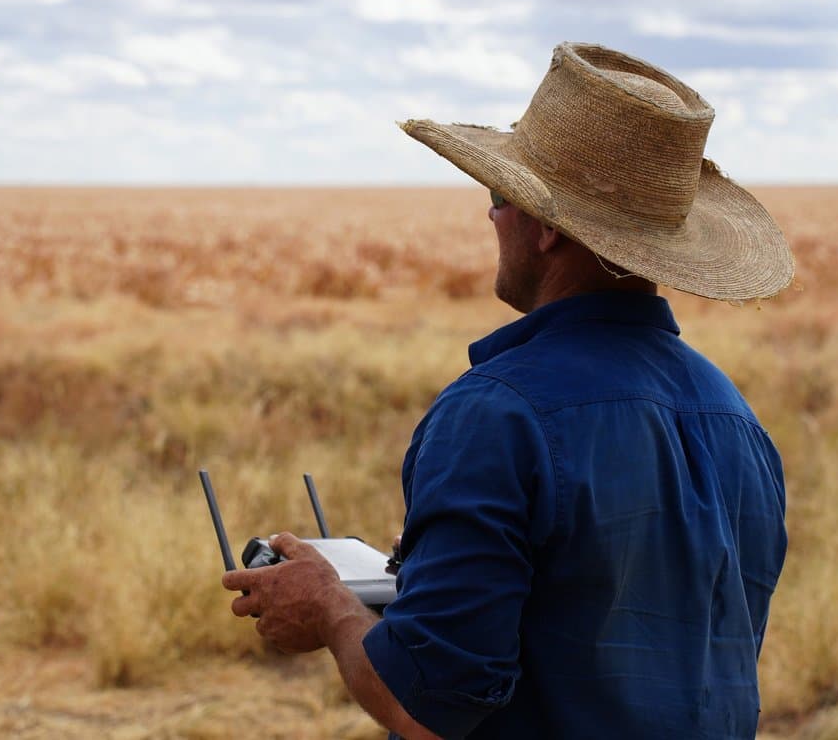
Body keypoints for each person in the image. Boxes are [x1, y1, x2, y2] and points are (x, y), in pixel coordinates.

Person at [222, 42, 793, 739]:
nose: (490, 218)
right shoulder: (735, 417)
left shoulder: (495, 416)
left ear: (547, 225)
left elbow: (428, 708)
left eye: (499, 196)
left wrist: (330, 608)